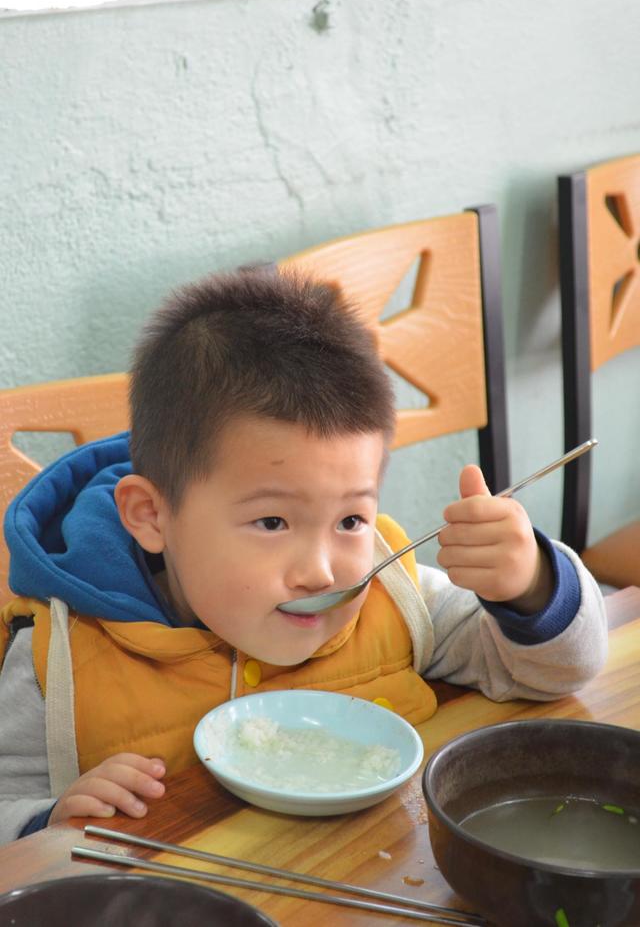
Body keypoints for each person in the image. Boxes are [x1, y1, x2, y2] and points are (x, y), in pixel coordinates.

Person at [0, 267, 607, 845]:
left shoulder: (396, 598)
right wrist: (48, 820)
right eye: (272, 522)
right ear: (151, 516)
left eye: (350, 520)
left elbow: (557, 673)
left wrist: (531, 586)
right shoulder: (60, 659)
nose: (321, 571)